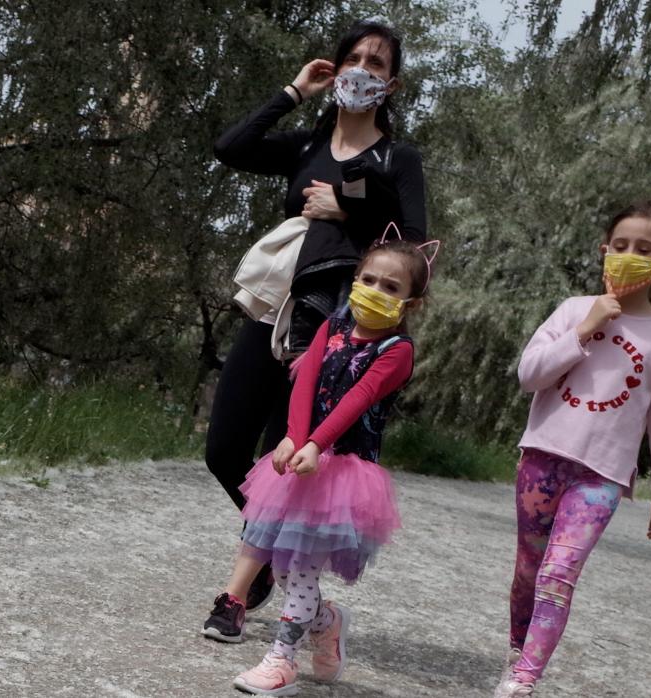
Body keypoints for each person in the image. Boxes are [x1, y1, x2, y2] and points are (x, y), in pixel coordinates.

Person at [205, 18, 427, 629]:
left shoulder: (396, 158)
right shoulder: (307, 146)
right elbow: (230, 149)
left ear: (392, 83)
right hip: (277, 313)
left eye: (375, 64)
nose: (362, 70)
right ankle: (276, 557)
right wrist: (293, 92)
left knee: (286, 453)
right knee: (224, 450)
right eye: (353, 58)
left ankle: (237, 595)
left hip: (338, 329)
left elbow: (415, 244)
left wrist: (351, 207)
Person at [213, 235, 438, 696]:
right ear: (354, 281)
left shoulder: (397, 350)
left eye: (390, 287)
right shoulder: (335, 322)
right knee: (280, 562)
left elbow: (358, 398)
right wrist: (296, 435)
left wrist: (317, 442)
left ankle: (281, 660)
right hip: (301, 457)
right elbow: (306, 375)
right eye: (368, 279)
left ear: (411, 302)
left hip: (343, 471)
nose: (375, 290)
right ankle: (327, 620)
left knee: (302, 567)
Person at [494, 199, 651, 697]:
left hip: (601, 477)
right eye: (620, 246)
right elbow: (528, 375)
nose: (628, 255)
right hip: (541, 460)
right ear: (605, 251)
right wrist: (587, 327)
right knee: (528, 573)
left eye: (643, 249)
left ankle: (524, 679)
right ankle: (517, 648)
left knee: (559, 575)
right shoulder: (573, 310)